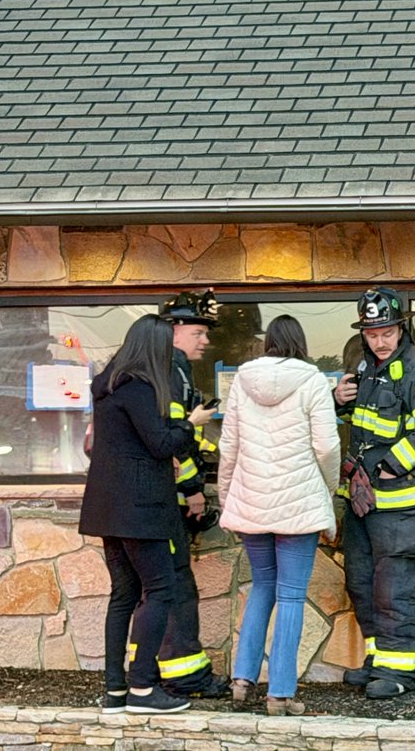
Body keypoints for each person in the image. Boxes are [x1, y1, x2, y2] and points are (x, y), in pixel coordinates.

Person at [78, 314, 213, 714]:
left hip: (107, 506)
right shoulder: (138, 387)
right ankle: (142, 690)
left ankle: (116, 692)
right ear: (153, 349)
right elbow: (160, 445)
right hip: (140, 507)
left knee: (123, 596)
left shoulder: (109, 387)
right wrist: (191, 423)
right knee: (160, 590)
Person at [332, 286, 415, 699]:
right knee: (362, 584)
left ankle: (401, 672)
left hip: (400, 505)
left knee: (394, 590)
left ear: (401, 328)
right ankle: (378, 661)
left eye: (386, 332)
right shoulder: (366, 367)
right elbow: (367, 423)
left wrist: (390, 464)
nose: (380, 341)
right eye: (372, 334)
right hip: (363, 503)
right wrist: (338, 401)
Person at [217, 315, 341, 716]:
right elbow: (326, 447)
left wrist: (226, 497)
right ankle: (280, 693)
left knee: (261, 586)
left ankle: (241, 679)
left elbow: (228, 447)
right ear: (301, 342)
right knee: (290, 595)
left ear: (268, 342)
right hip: (299, 504)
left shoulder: (242, 381)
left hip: (251, 500)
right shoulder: (314, 382)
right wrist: (329, 489)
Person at [156, 289, 229, 698]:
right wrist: (193, 491)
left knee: (159, 589)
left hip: (157, 501)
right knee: (176, 588)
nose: (205, 340)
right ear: (175, 330)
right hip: (167, 502)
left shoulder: (171, 368)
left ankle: (152, 667)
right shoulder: (172, 371)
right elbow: (174, 441)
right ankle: (185, 674)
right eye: (199, 331)